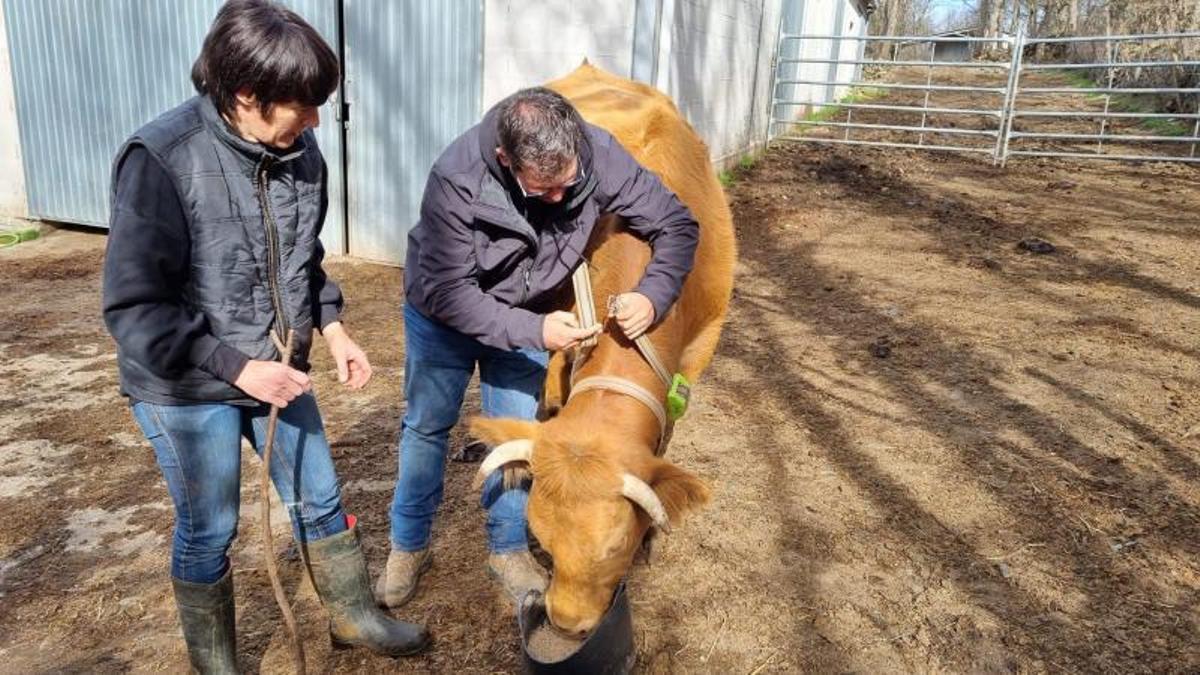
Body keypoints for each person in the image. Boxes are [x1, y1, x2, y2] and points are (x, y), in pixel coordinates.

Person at [101, 1, 429, 669]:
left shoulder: (299, 153)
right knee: (210, 525)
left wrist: (333, 327)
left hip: (276, 365)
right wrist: (238, 369)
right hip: (186, 384)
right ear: (245, 95)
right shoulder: (161, 160)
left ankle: (354, 615)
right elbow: (134, 307)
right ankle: (214, 661)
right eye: (302, 106)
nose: (314, 122)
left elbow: (301, 258)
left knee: (321, 495)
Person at [376, 86, 700, 608]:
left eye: (567, 183)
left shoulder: (597, 155)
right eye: (542, 190)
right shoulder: (456, 179)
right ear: (506, 159)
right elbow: (451, 294)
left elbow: (677, 223)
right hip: (445, 317)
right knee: (427, 427)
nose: (559, 198)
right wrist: (536, 332)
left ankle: (507, 549)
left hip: (532, 313)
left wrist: (651, 294)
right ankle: (407, 546)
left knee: (524, 443)